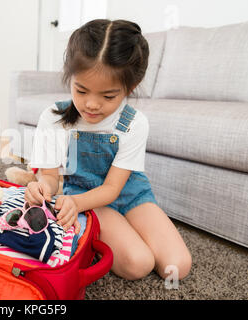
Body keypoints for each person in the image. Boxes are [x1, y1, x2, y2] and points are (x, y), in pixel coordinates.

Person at [25, 19, 192, 281]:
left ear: (130, 88)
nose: (91, 104)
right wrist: (43, 187)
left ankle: (97, 234)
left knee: (178, 267)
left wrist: (76, 204)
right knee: (138, 264)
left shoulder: (134, 123)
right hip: (85, 195)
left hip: (128, 193)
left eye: (108, 96)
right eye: (81, 90)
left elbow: (114, 189)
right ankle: (95, 231)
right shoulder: (54, 117)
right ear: (70, 78)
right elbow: (49, 176)